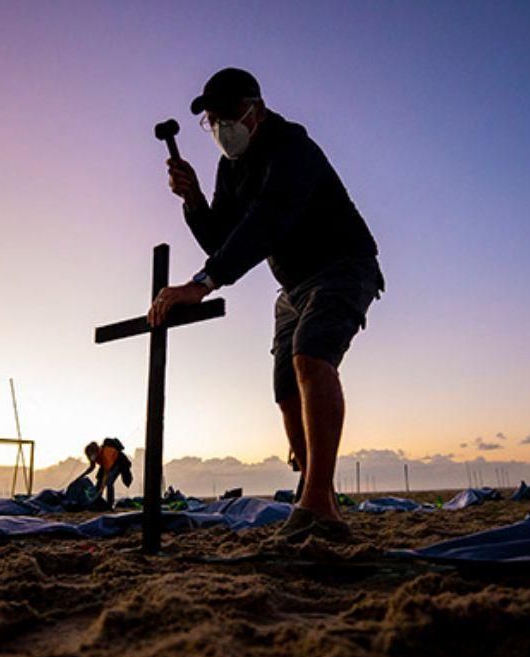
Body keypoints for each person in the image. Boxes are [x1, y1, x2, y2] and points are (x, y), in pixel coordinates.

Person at [152, 67, 383, 543]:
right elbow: (221, 239)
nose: (220, 128)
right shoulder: (230, 168)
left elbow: (267, 222)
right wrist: (193, 199)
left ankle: (316, 502)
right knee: (285, 391)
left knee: (311, 355)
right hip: (292, 286)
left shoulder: (292, 147)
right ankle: (318, 500)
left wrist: (201, 284)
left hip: (343, 266)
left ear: (254, 109)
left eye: (227, 115)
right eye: (211, 120)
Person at [76, 438, 133, 506]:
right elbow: (92, 467)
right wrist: (81, 476)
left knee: (109, 483)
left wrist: (101, 489)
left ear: (96, 451)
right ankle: (96, 502)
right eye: (89, 455)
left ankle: (110, 504)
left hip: (118, 462)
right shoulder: (92, 455)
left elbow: (106, 474)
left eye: (91, 454)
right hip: (105, 465)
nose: (91, 457)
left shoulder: (105, 454)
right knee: (99, 482)